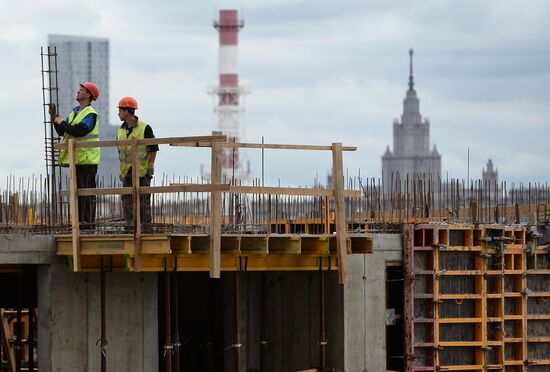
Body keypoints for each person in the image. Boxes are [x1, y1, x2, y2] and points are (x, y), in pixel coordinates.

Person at [53, 82, 100, 230]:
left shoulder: (90, 114)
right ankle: (79, 227)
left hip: (87, 161)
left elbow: (79, 131)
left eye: (81, 90)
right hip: (76, 161)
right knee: (77, 196)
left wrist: (61, 122)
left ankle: (87, 227)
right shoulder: (74, 113)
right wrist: (56, 120)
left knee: (86, 195)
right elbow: (64, 132)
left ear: (88, 95)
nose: (77, 92)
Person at [116, 97, 158, 231]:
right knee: (127, 200)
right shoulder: (120, 130)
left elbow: (154, 148)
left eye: (120, 110)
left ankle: (145, 228)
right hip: (127, 172)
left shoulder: (144, 128)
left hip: (141, 172)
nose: (118, 113)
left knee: (143, 201)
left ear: (127, 112)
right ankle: (130, 227)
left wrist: (150, 165)